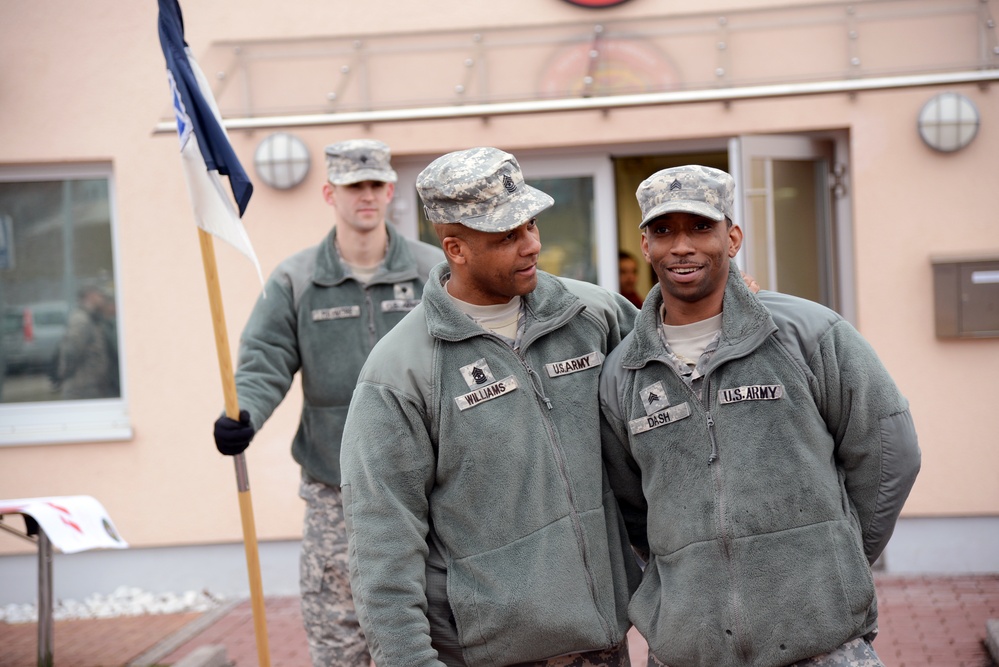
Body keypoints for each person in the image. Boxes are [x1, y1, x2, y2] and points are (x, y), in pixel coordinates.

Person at [598, 165, 921, 667]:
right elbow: (630, 502)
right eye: (664, 231)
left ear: (732, 237)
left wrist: (841, 558)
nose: (681, 246)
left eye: (700, 227)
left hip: (824, 645)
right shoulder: (625, 372)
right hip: (690, 651)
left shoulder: (807, 333)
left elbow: (888, 452)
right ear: (645, 246)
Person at [339, 146, 643, 667]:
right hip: (487, 654)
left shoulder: (593, 315)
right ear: (455, 248)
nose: (531, 246)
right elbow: (381, 543)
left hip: (604, 642)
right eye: (507, 237)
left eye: (530, 225)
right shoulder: (401, 370)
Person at [212, 139, 445, 667]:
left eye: (374, 185)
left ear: (390, 190)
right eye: (352, 186)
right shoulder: (296, 280)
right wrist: (243, 414)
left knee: (434, 626)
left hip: (430, 487)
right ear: (329, 193)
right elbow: (264, 360)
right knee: (339, 635)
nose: (366, 195)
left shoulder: (433, 274)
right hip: (334, 490)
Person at [55, 285, 117, 399]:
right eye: (100, 296)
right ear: (90, 296)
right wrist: (65, 378)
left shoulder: (92, 319)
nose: (103, 300)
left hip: (91, 389)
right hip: (81, 391)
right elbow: (70, 353)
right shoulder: (81, 320)